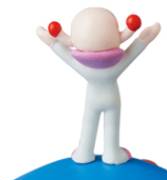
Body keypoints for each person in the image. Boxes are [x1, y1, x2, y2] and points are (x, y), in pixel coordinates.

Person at [37, 8, 160, 164]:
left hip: (92, 100)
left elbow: (62, 52)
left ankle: (83, 153)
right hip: (112, 99)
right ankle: (112, 153)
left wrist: (51, 41)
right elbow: (135, 49)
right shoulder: (119, 63)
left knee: (88, 124)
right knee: (111, 126)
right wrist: (146, 37)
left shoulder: (81, 66)